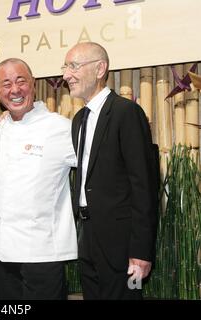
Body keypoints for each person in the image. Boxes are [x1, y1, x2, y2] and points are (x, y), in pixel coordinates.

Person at [63, 42, 158, 299]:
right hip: (88, 237)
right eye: (65, 67)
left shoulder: (126, 112)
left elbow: (144, 185)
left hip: (123, 244)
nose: (65, 75)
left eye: (73, 66)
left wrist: (141, 251)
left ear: (100, 68)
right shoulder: (78, 120)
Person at [0, 58, 77, 300]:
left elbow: (97, 167)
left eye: (21, 81)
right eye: (6, 84)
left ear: (33, 85)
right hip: (1, 251)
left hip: (43, 253)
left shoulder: (60, 127)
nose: (15, 90)